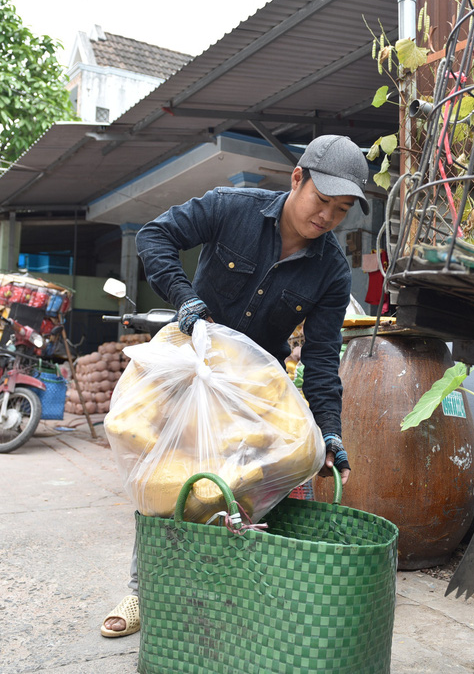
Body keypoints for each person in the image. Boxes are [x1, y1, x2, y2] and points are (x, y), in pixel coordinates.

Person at [99, 134, 367, 638]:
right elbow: (153, 237)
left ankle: (229, 595)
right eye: (321, 201)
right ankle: (142, 591)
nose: (327, 217)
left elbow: (324, 358)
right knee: (164, 485)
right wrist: (182, 297)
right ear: (297, 179)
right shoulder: (231, 207)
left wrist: (329, 430)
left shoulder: (331, 270)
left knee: (239, 490)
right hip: (189, 373)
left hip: (253, 390)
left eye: (342, 210)